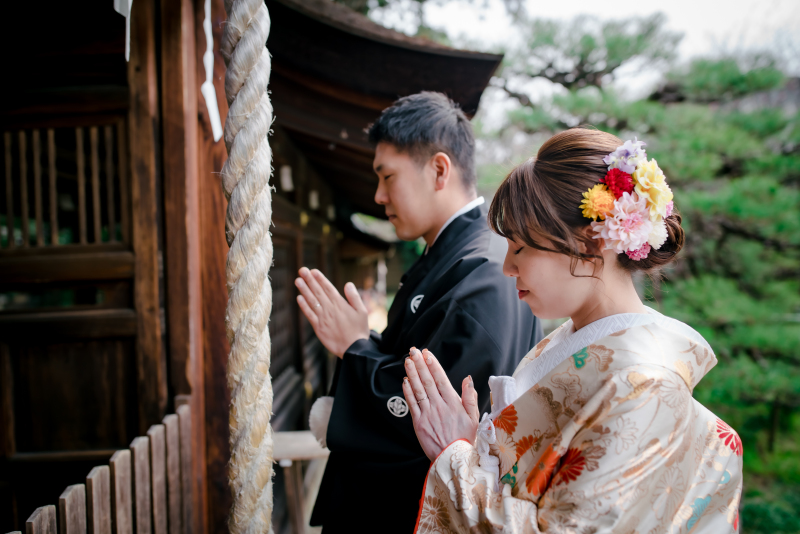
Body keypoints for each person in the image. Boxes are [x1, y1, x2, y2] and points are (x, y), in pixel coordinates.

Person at [402, 128, 743, 533]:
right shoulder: (568, 342)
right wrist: (479, 445)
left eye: (521, 247)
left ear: (591, 243)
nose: (508, 267)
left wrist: (455, 457)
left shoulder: (646, 383)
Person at [294, 92, 542, 533]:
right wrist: (363, 349)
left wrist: (356, 348)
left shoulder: (483, 273)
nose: (378, 195)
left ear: (439, 170)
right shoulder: (454, 256)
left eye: (387, 176)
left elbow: (427, 421)